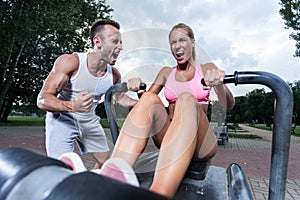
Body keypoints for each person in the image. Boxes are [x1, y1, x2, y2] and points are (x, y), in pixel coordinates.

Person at [104, 23, 235, 198]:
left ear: (193, 42)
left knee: (186, 98)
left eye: (182, 40)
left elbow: (228, 105)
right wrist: (136, 88)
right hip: (170, 136)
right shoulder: (166, 72)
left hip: (201, 142)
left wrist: (220, 84)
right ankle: (111, 178)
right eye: (173, 42)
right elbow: (145, 104)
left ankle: (159, 194)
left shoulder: (206, 68)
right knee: (150, 99)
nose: (177, 46)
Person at [36, 19, 139, 169]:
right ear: (97, 42)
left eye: (121, 43)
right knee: (61, 169)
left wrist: (145, 100)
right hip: (62, 121)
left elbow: (120, 99)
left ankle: (89, 183)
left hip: (88, 121)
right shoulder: (71, 62)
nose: (120, 47)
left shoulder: (114, 75)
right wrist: (73, 105)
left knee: (107, 164)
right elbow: (42, 99)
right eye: (115, 42)